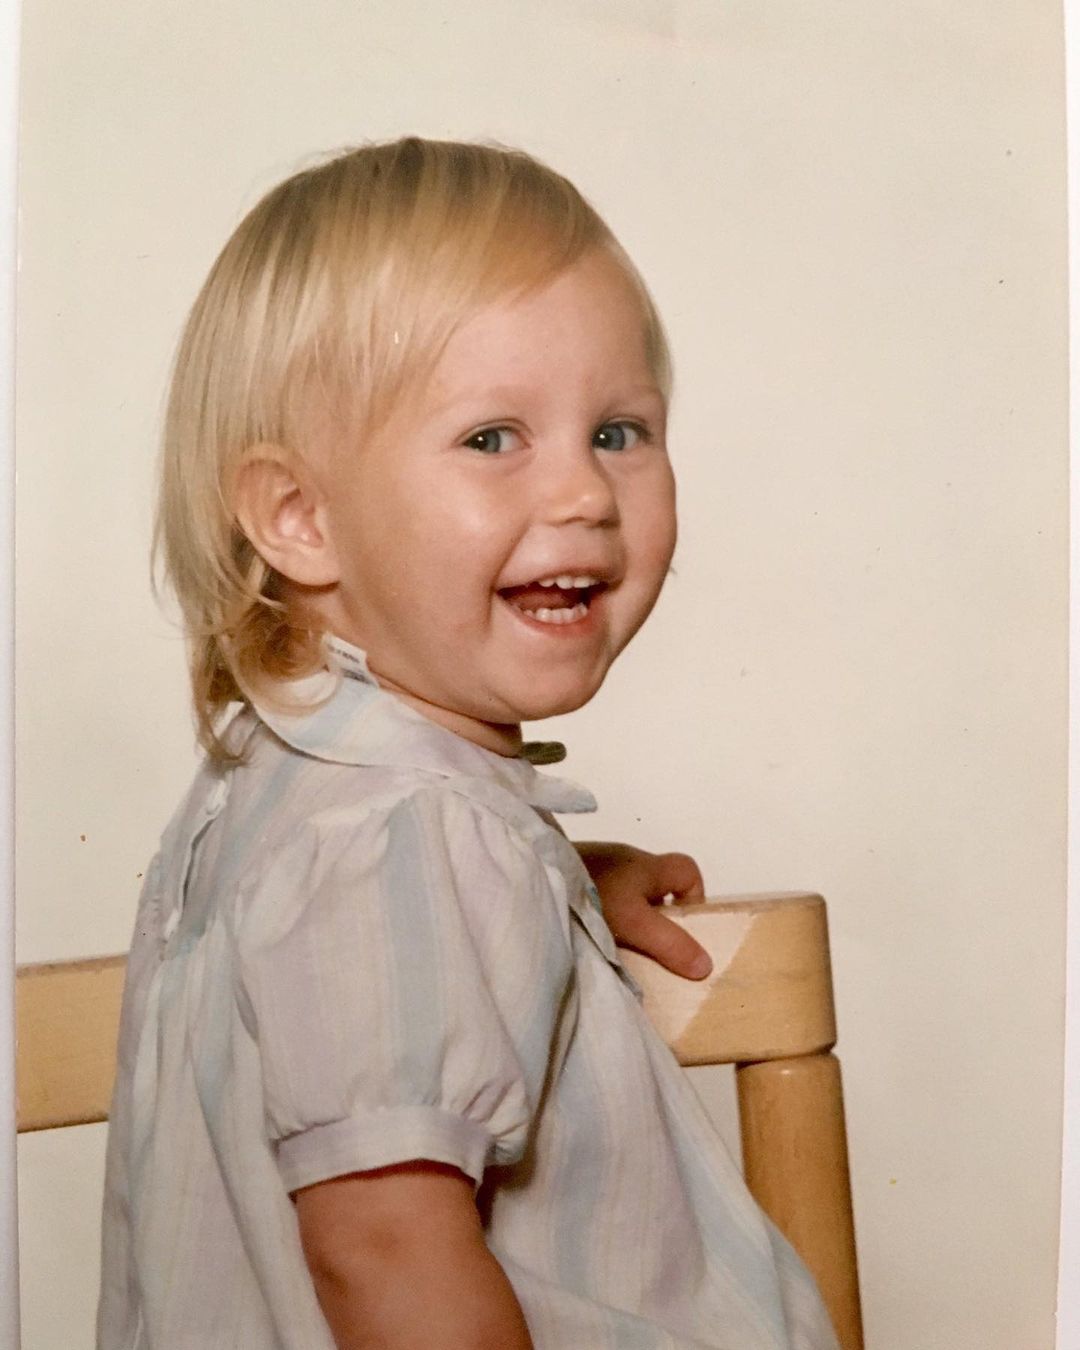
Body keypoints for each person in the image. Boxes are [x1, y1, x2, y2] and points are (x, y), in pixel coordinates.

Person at [97, 136, 839, 1350]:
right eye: (493, 439)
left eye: (619, 430)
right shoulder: (408, 831)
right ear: (301, 517)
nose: (585, 495)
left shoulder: (314, 791)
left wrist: (553, 894)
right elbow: (384, 1251)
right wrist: (482, 870)